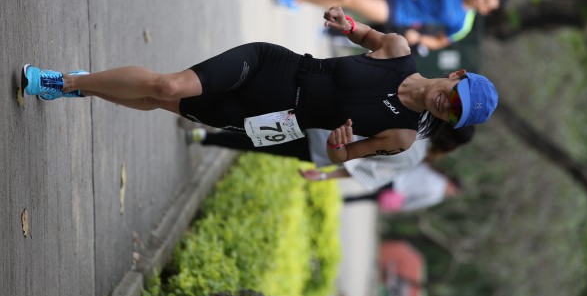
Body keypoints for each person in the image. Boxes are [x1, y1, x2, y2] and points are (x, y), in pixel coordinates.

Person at [21, 6, 497, 163]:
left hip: (272, 121)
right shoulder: (396, 49)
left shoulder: (402, 136)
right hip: (273, 67)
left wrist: (339, 144)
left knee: (158, 101)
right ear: (456, 76)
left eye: (455, 113)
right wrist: (347, 24)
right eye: (456, 97)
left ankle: (85, 87)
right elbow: (368, 34)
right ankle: (64, 80)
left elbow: (341, 157)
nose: (447, 105)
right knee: (168, 86)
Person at [187, 121, 475, 190]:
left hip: (329, 119)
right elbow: (365, 171)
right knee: (264, 142)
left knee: (271, 120)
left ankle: (210, 120)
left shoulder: (415, 117)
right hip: (326, 150)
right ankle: (206, 137)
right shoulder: (414, 157)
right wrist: (323, 176)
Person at [274, 0, 508, 50]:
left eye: (486, 2)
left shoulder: (462, 24)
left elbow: (440, 41)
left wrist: (420, 38)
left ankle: (298, 0)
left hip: (397, 10)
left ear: (485, 11)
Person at [343, 162, 462, 213]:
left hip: (395, 175)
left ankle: (342, 171)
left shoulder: (436, 171)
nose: (452, 194)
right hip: (398, 189)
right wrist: (402, 207)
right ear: (453, 185)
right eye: (454, 192)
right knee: (367, 197)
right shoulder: (437, 195)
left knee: (363, 176)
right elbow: (417, 202)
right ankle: (346, 200)